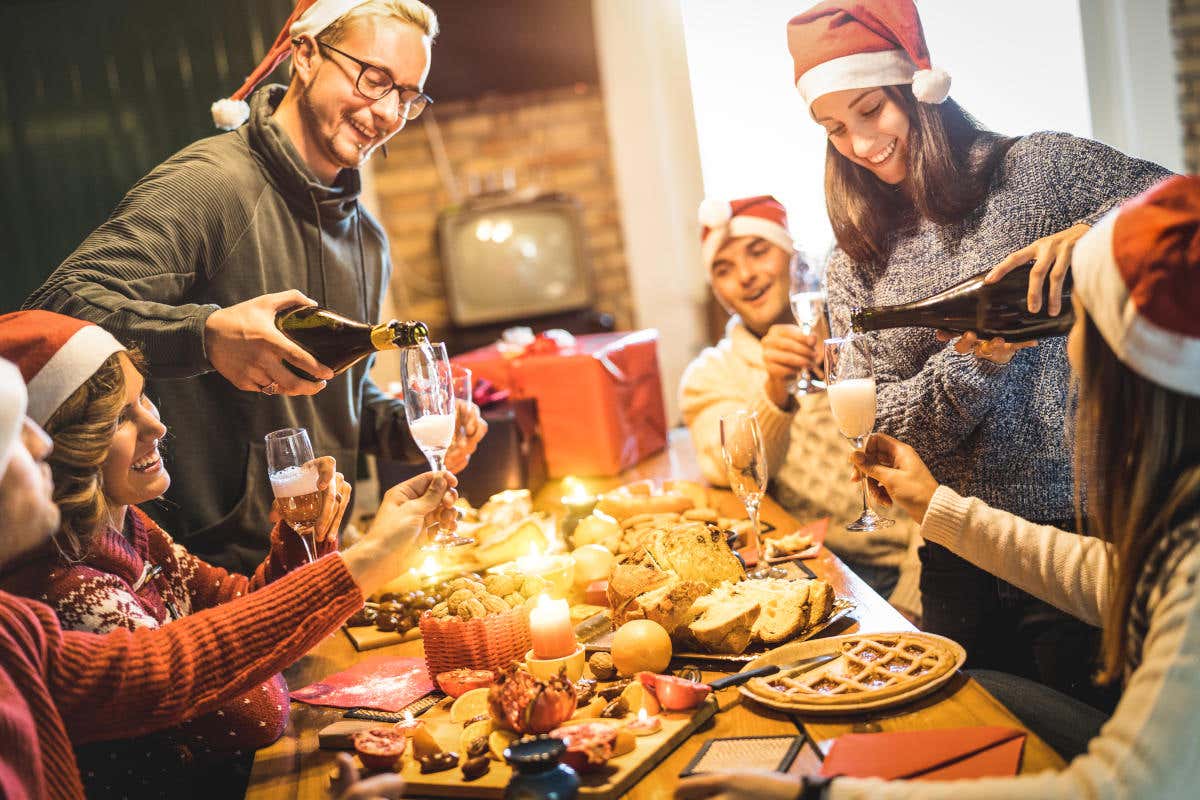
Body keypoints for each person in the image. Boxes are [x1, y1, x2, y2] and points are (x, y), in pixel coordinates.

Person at [676, 173, 1200, 800]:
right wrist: (932, 504)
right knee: (975, 692)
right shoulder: (1180, 535)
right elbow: (1109, 580)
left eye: (1077, 319)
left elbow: (1118, 788)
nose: (1062, 344)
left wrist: (825, 794)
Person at [777, 0, 1171, 703]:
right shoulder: (854, 257)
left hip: (1074, 541)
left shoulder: (1037, 171)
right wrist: (978, 362)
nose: (862, 144)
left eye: (872, 110)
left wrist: (1092, 233)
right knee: (973, 741)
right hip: (951, 549)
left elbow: (1180, 212)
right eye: (835, 128)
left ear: (917, 94)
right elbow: (877, 428)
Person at [22, 0, 485, 573]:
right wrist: (207, 336)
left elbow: (334, 391)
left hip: (315, 566)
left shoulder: (366, 237)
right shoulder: (211, 185)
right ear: (306, 55)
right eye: (375, 79)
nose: (388, 112)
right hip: (208, 578)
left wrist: (409, 432)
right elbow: (53, 312)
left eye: (407, 96)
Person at [0, 351, 458, 799]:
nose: (157, 426)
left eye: (144, 399)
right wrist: (364, 564)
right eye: (120, 416)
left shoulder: (125, 531)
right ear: (72, 444)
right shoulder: (63, 587)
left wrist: (312, 543)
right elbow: (247, 707)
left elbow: (234, 611)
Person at [679, 196, 920, 618]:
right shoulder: (711, 373)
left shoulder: (861, 333)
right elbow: (730, 471)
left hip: (919, 558)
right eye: (724, 268)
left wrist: (911, 601)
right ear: (716, 290)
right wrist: (774, 389)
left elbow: (942, 457)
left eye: (758, 251)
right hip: (822, 562)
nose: (746, 275)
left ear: (793, 254)